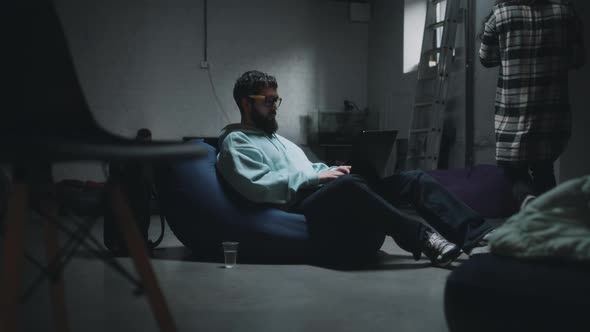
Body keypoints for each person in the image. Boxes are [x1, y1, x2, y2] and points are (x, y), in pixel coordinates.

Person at [216, 70, 495, 267]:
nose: (275, 107)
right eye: (268, 101)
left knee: (412, 179)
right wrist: (317, 177)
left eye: (276, 100)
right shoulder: (236, 142)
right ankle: (422, 239)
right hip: (301, 206)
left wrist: (331, 169)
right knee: (348, 186)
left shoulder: (276, 138)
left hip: (325, 191)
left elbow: (308, 167)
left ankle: (479, 236)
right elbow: (256, 185)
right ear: (245, 102)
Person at [479, 0, 585, 209]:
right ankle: (549, 220)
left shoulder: (499, 14)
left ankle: (527, 200)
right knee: (544, 168)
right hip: (552, 110)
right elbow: (577, 58)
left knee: (513, 169)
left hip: (513, 112)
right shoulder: (565, 13)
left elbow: (487, 58)